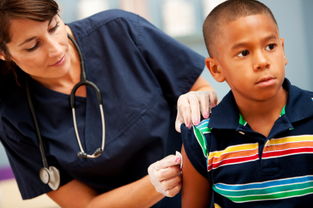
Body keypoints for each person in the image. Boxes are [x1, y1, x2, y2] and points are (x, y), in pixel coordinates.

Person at [0, 0, 218, 207]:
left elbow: (201, 89)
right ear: (4, 53)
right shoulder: (10, 112)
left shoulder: (119, 30)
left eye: (54, 27)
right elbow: (86, 205)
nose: (55, 49)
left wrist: (200, 98)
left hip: (205, 194)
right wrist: (154, 184)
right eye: (32, 46)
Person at [181, 0, 313, 207]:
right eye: (244, 53)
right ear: (216, 69)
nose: (262, 61)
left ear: (283, 50)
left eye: (270, 46)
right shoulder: (202, 136)